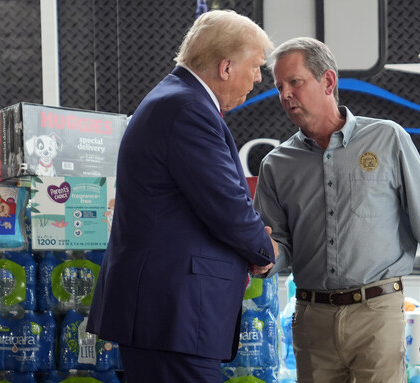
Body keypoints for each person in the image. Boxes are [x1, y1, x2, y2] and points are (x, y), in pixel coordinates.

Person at [252, 37, 420, 383]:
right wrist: (264, 257)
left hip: (377, 314)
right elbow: (280, 247)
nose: (286, 95)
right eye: (279, 87)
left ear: (328, 81)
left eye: (295, 82)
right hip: (311, 320)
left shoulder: (387, 138)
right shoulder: (276, 165)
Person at [87, 10, 277, 383]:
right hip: (173, 315)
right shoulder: (188, 110)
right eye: (255, 67)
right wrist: (264, 251)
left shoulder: (175, 100)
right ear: (225, 67)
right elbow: (226, 206)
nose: (258, 78)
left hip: (168, 316)